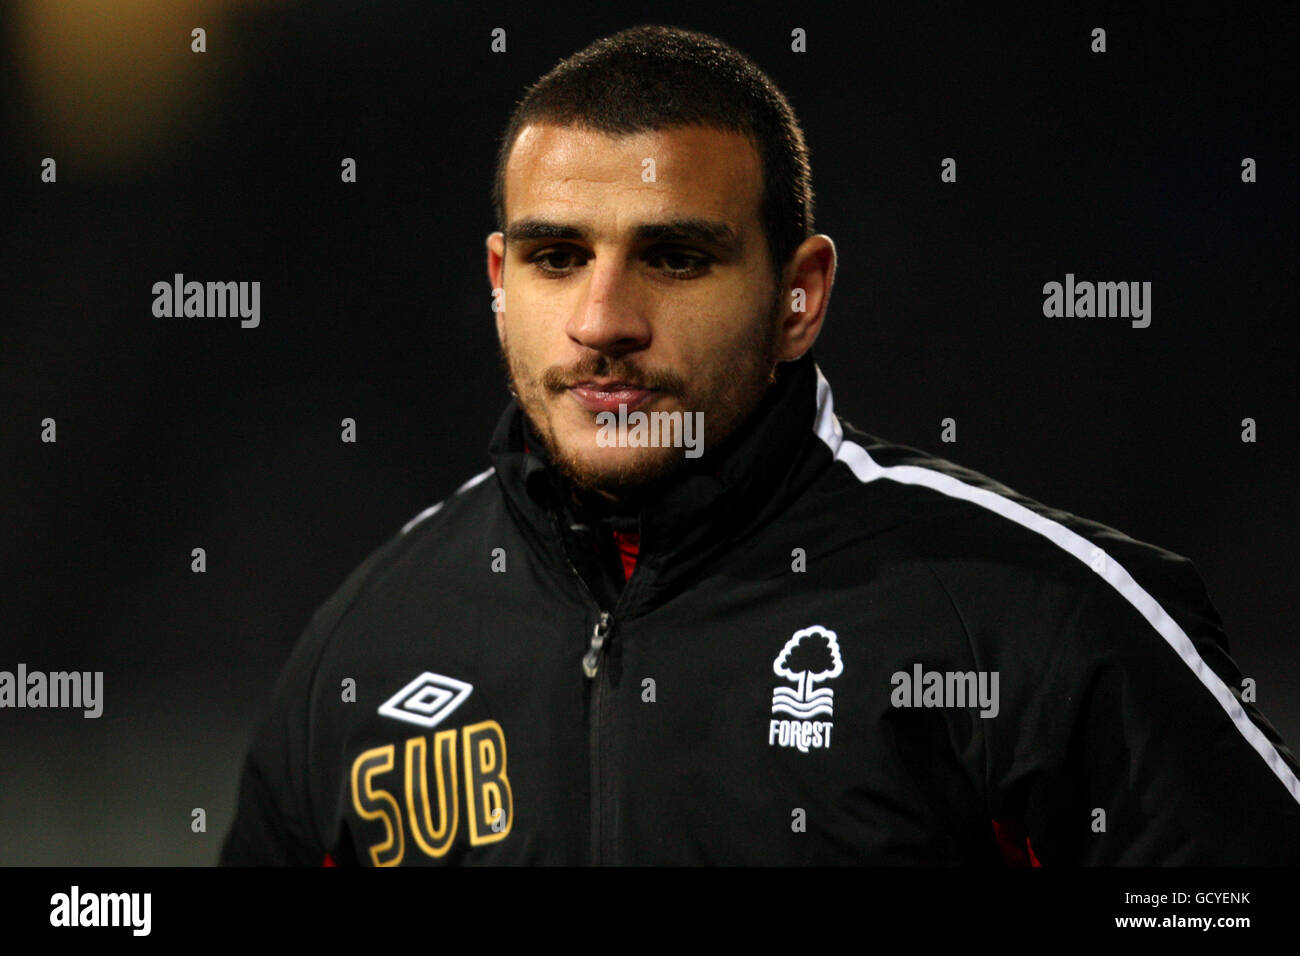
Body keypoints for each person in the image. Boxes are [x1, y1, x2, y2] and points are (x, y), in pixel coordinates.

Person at [220, 24, 1300, 865]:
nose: (602, 321)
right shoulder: (368, 642)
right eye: (557, 257)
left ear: (799, 294)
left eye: (675, 258)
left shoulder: (1029, 617)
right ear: (500, 284)